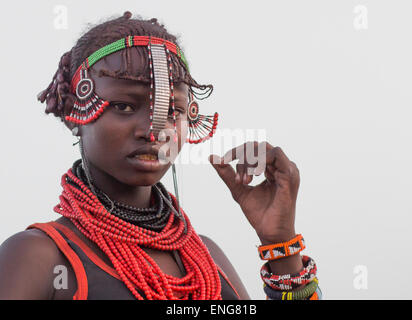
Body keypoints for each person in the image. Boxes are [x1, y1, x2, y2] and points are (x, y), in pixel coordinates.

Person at [0, 11, 320, 300]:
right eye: (124, 106)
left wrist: (281, 244)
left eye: (172, 111)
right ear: (73, 112)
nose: (154, 132)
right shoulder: (39, 257)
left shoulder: (207, 260)